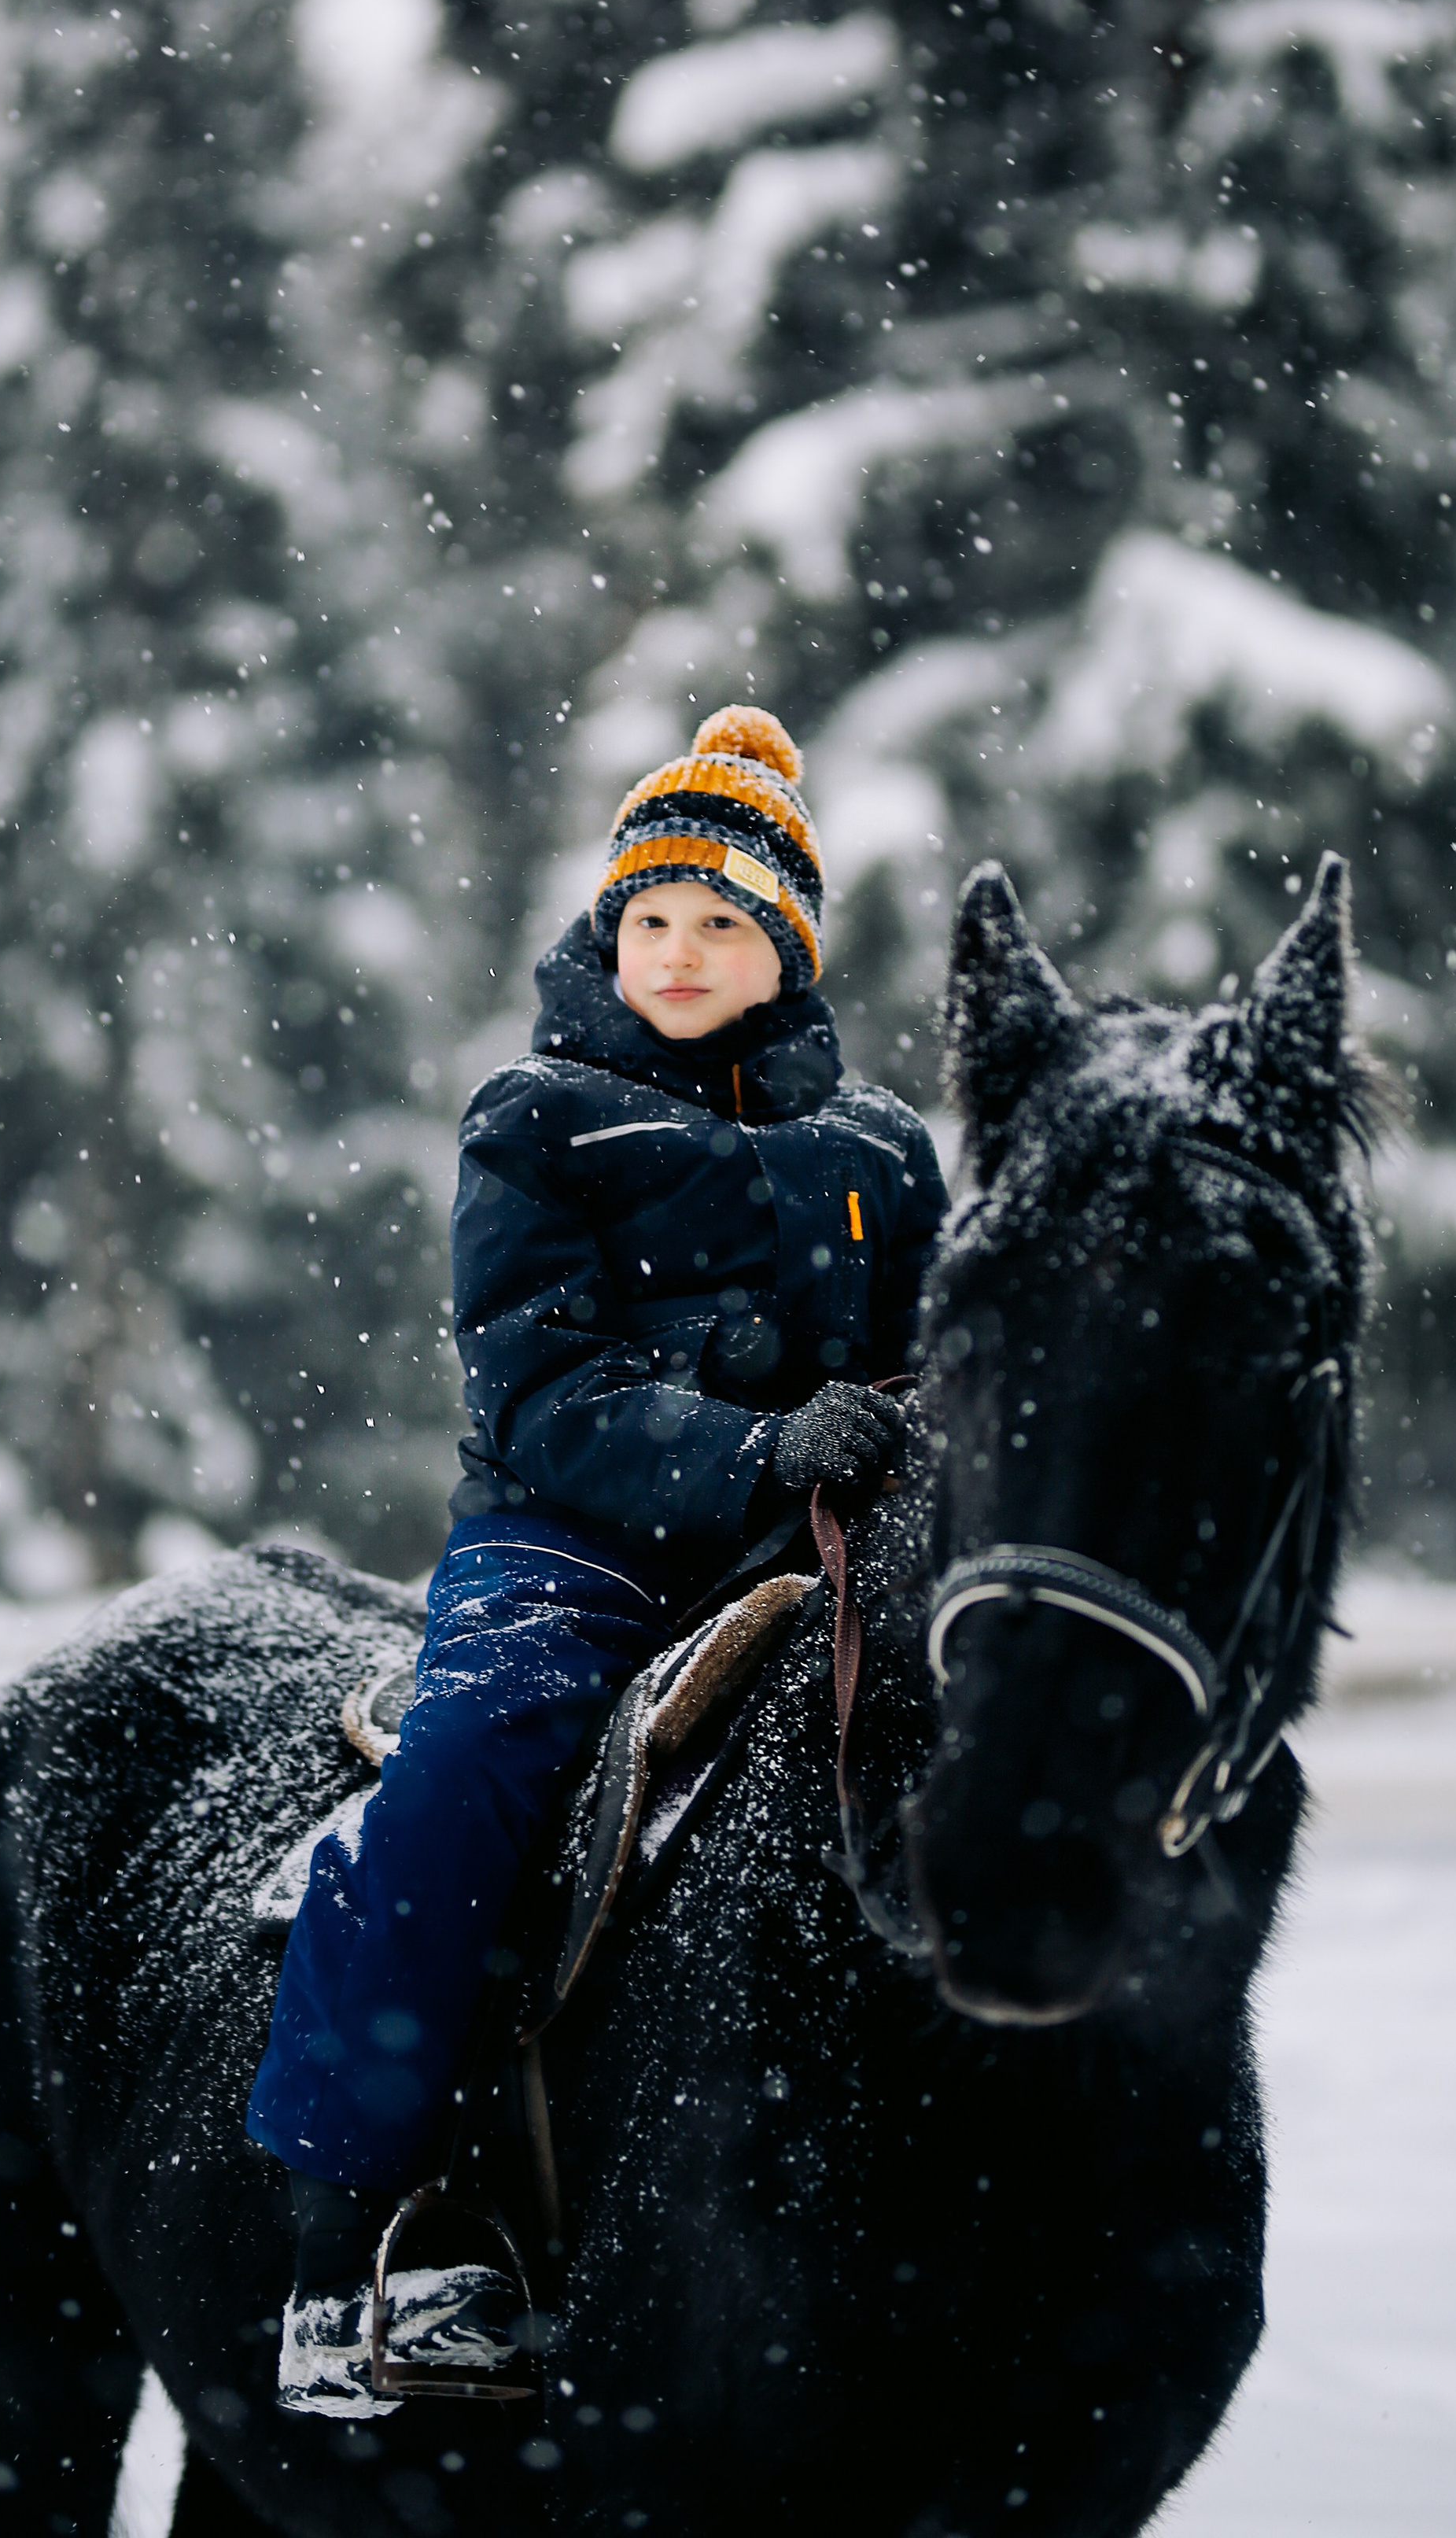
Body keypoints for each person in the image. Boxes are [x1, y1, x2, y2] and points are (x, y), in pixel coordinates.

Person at [247, 704, 948, 2414]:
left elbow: (933, 1354)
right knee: (473, 1761)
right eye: (652, 919)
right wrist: (749, 1442)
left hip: (807, 1549)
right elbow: (539, 1385)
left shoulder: (879, 1151)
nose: (681, 950)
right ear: (605, 931)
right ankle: (363, 2225)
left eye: (722, 923)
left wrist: (889, 1440)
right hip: (567, 1545)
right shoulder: (537, 1116)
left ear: (785, 947)